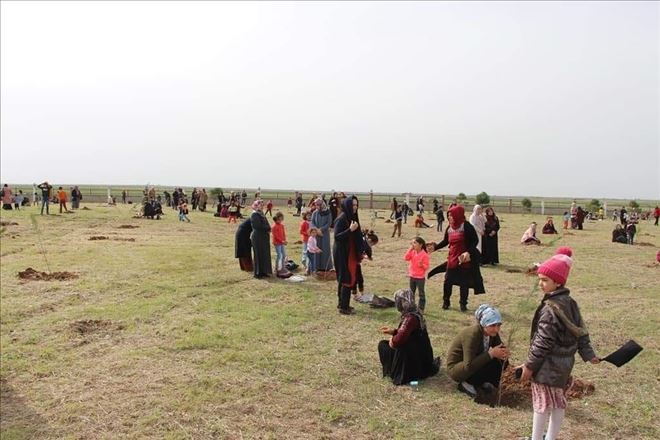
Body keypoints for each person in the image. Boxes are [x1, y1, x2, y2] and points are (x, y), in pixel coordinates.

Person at [518, 247, 599, 440]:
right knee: (557, 403)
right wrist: (589, 354)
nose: (540, 284)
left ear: (558, 282)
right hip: (564, 366)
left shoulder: (550, 309)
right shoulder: (570, 302)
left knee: (541, 405)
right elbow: (581, 331)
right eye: (539, 279)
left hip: (547, 367)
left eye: (545, 280)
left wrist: (529, 366)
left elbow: (543, 342)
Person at [446, 304, 510, 403]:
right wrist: (490, 354)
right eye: (493, 325)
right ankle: (467, 383)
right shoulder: (472, 335)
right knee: (491, 357)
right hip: (458, 369)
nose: (497, 329)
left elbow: (500, 350)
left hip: (474, 361)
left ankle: (482, 382)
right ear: (484, 324)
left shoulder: (492, 333)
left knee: (500, 361)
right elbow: (468, 366)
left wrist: (504, 354)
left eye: (498, 325)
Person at [427, 205, 485, 312]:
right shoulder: (449, 228)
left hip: (464, 259)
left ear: (457, 215)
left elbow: (475, 241)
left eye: (451, 215)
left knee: (464, 283)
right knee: (447, 281)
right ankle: (446, 302)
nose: (449, 217)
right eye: (448, 215)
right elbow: (445, 241)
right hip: (452, 258)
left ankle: (463, 304)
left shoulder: (466, 226)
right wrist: (435, 247)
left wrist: (468, 252)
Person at [377, 289, 440, 385]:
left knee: (383, 345)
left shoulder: (410, 318)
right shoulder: (416, 312)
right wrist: (394, 331)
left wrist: (392, 340)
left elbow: (398, 341)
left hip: (413, 356)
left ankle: (396, 370)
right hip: (421, 353)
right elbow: (410, 334)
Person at [333, 196, 362, 315]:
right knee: (346, 278)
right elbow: (337, 236)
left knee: (346, 277)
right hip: (343, 253)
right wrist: (350, 230)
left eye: (356, 205)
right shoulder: (341, 218)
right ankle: (344, 307)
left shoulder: (351, 217)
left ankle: (342, 304)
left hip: (349, 252)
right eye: (353, 205)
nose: (355, 207)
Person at [404, 237, 430, 311]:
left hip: (420, 278)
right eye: (412, 243)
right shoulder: (412, 252)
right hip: (412, 276)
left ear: (420, 245)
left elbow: (426, 267)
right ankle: (411, 307)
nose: (413, 244)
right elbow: (406, 258)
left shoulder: (424, 255)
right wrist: (410, 249)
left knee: (421, 293)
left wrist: (422, 265)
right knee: (411, 293)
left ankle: (421, 309)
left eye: (415, 243)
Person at [250, 200, 272, 279]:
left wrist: (269, 228)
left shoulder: (261, 213)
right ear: (256, 205)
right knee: (258, 254)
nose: (262, 206)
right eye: (260, 205)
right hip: (257, 237)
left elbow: (267, 223)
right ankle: (258, 273)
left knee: (264, 254)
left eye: (263, 205)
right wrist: (268, 228)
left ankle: (264, 271)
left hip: (264, 237)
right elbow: (257, 226)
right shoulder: (254, 214)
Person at [310, 198, 333, 272]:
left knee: (325, 249)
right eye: (316, 205)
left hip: (324, 234)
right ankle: (316, 266)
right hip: (316, 234)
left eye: (318, 205)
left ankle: (325, 266)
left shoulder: (328, 212)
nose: (316, 206)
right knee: (316, 249)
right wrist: (316, 230)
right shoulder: (315, 213)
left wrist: (321, 229)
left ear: (322, 205)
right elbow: (312, 222)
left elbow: (329, 223)